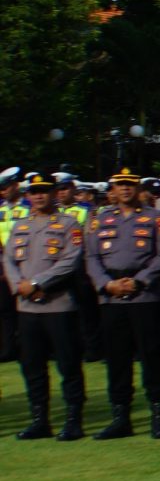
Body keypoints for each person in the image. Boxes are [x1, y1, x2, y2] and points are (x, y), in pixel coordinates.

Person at [85, 168, 160, 439]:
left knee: (151, 354)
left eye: (129, 185)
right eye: (120, 185)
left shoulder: (154, 218)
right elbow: (90, 257)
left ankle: (159, 417)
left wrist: (140, 281)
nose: (125, 190)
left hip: (143, 295)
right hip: (111, 296)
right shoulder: (100, 219)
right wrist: (106, 284)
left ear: (138, 189)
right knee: (117, 358)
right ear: (112, 190)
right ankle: (120, 417)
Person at [10, 171, 88, 441]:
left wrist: (37, 282)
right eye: (34, 191)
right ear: (27, 196)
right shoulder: (20, 225)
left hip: (58, 305)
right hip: (27, 308)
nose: (39, 195)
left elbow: (71, 260)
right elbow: (8, 259)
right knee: (32, 366)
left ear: (55, 193)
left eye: (44, 190)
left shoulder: (68, 224)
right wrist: (18, 284)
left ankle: (73, 420)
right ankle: (39, 419)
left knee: (68, 365)